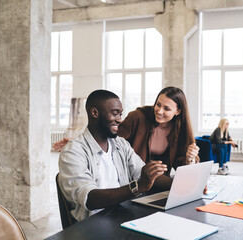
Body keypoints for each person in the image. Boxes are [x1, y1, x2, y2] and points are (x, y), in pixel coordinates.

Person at [58, 89, 172, 222]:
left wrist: (180, 184)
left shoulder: (120, 144)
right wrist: (137, 187)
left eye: (120, 115)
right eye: (114, 114)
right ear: (94, 113)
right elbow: (90, 198)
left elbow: (142, 174)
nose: (119, 120)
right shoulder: (73, 152)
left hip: (123, 213)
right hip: (93, 223)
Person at [118, 86, 199, 176]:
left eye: (166, 109)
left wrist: (189, 159)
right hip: (131, 175)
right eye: (158, 105)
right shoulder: (138, 117)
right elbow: (114, 143)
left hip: (158, 179)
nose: (159, 111)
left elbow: (184, 171)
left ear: (178, 111)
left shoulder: (180, 129)